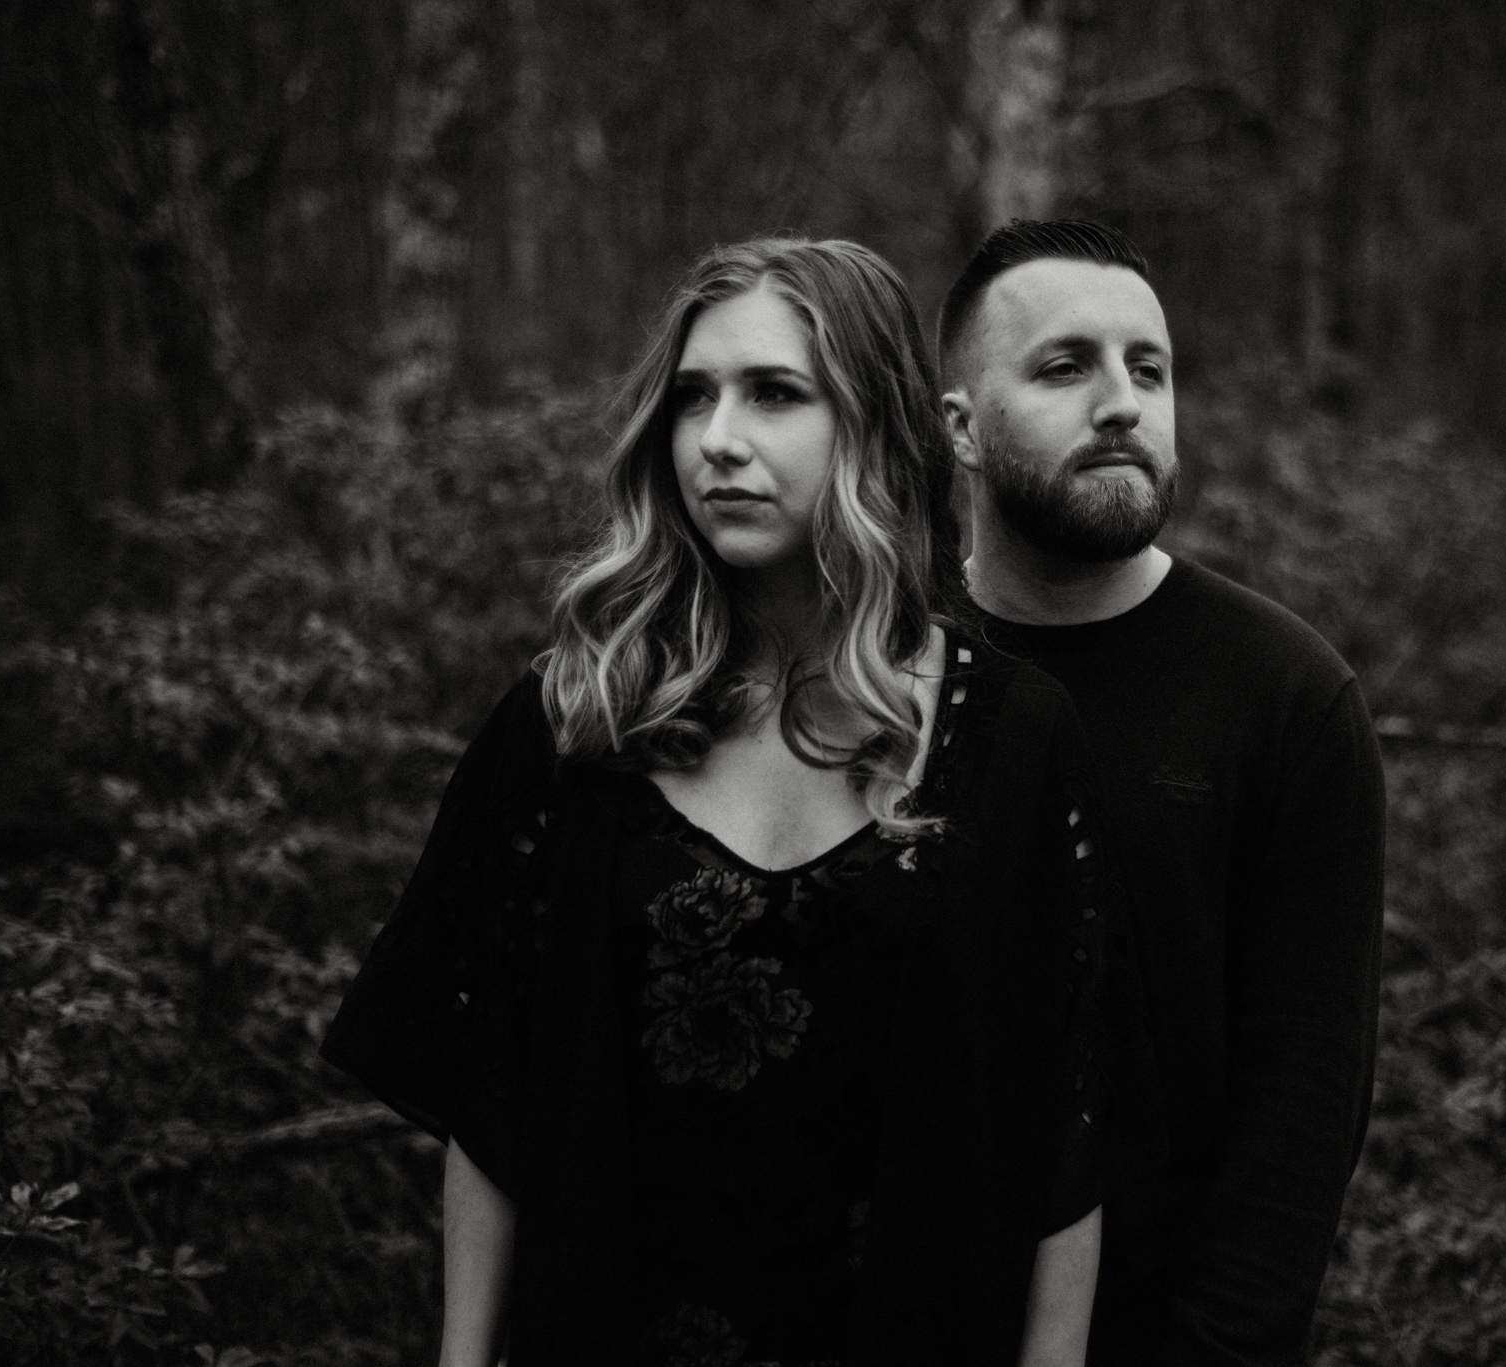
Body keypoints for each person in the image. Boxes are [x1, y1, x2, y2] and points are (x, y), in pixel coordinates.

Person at [323, 238, 1138, 1366]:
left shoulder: (1012, 738)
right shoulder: (579, 718)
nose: (718, 440)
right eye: (693, 396)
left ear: (873, 424)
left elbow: (1062, 1137)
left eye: (774, 394)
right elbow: (494, 1103)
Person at [937, 220, 1386, 1366]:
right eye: (1062, 366)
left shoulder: (1285, 695)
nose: (1123, 403)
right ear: (959, 429)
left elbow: (1301, 1110)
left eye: (1148, 367)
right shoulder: (880, 662)